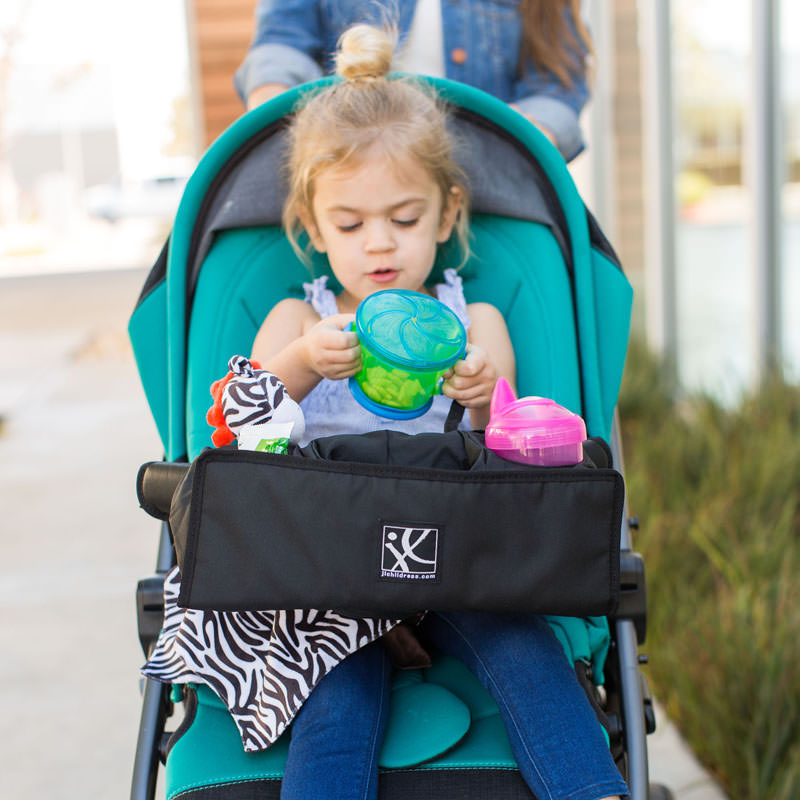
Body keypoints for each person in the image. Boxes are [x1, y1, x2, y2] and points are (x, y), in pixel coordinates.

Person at [245, 23, 628, 800]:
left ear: (449, 213)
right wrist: (301, 363)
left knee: (527, 653)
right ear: (313, 226)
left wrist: (485, 390)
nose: (379, 245)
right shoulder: (300, 319)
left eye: (405, 218)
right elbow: (240, 428)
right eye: (350, 224)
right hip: (328, 574)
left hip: (459, 557)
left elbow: (504, 443)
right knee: (335, 698)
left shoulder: (472, 322)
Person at [234, 0, 592, 161]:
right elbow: (282, 39)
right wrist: (271, 97)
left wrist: (531, 130)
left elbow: (557, 82)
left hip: (483, 182)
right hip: (350, 169)